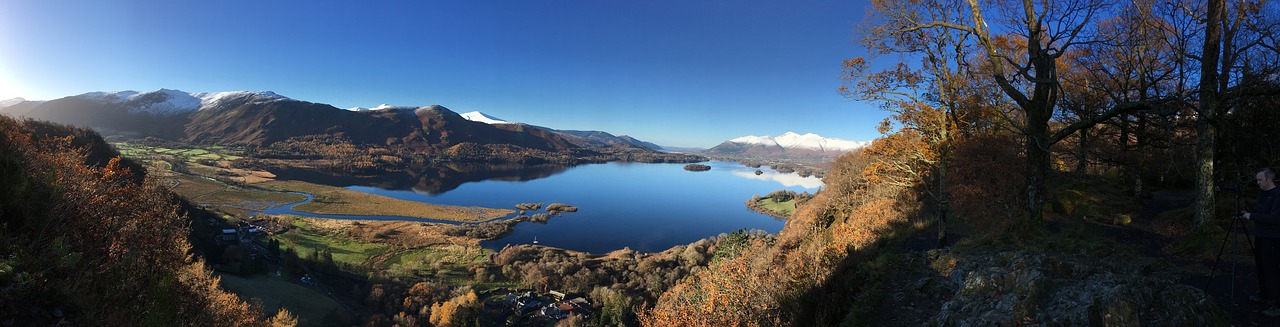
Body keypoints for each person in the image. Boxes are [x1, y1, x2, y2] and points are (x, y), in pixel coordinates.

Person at [1244, 167, 1280, 318]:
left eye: (1260, 180)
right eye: (1257, 180)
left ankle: (1277, 304)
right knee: (1261, 267)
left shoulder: (1278, 195)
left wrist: (1251, 216)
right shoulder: (1262, 194)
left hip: (1273, 238)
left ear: (1269, 179)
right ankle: (1265, 295)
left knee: (1272, 270)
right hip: (1260, 236)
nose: (1257, 182)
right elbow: (1260, 210)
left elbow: (1275, 219)